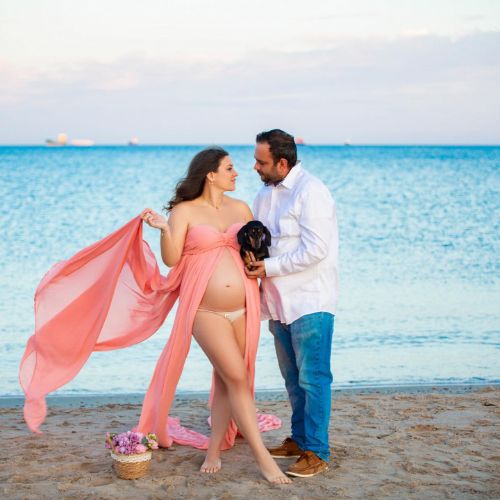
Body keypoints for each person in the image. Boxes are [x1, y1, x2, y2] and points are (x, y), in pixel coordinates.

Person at [19, 147, 291, 485]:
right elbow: (172, 260)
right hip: (205, 310)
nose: (237, 173)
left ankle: (214, 452)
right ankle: (262, 458)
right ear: (210, 174)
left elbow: (250, 248)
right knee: (236, 376)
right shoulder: (184, 211)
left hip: (243, 307)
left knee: (226, 380)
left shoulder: (241, 208)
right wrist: (164, 229)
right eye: (230, 168)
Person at [246, 129, 339, 478]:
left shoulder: (311, 192)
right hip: (277, 303)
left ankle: (317, 451)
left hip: (310, 301)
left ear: (282, 163)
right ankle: (299, 440)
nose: (255, 166)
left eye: (261, 161)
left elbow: (316, 250)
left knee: (314, 379)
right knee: (292, 379)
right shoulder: (263, 194)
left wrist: (267, 267)